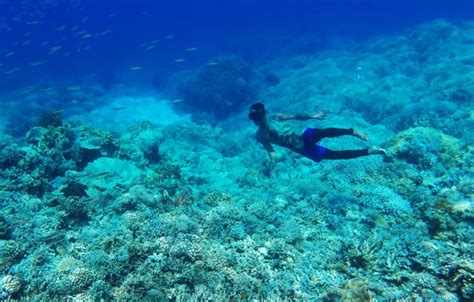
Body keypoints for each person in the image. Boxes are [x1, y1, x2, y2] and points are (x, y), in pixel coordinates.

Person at [248, 103, 386, 168]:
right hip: (301, 149)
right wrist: (272, 161)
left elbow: (296, 116)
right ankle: (370, 151)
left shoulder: (276, 117)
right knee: (335, 155)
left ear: (265, 113)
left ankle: (352, 131)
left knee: (323, 132)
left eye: (258, 115)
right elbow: (270, 149)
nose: (256, 119)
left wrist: (315, 115)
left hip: (302, 136)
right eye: (253, 117)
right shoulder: (260, 136)